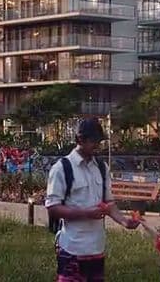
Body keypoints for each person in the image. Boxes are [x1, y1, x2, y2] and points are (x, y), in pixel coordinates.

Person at [45, 117, 139, 282]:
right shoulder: (62, 168)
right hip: (72, 249)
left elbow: (109, 204)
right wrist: (87, 213)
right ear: (80, 139)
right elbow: (53, 208)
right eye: (93, 140)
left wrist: (125, 222)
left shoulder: (102, 168)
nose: (97, 145)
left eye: (99, 141)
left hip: (96, 248)